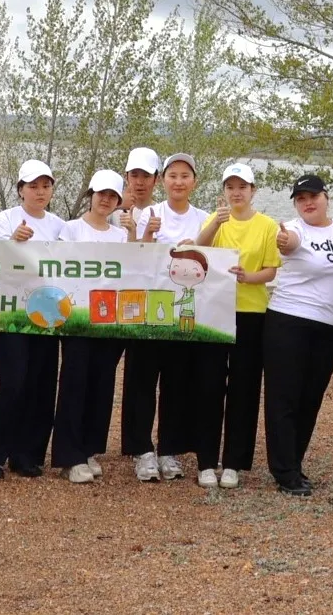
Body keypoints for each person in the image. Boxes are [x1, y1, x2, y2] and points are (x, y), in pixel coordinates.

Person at [264, 175, 333, 497]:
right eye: (300, 198)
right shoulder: (293, 230)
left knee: (310, 400)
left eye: (313, 196)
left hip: (329, 327)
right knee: (284, 399)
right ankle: (284, 471)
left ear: (326, 197)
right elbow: (288, 244)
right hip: (289, 321)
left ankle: (295, 463)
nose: (307, 203)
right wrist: (284, 242)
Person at [0, 160, 64, 480]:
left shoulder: (58, 225)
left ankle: (26, 454)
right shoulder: (6, 218)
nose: (40, 192)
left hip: (47, 313)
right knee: (12, 383)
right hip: (13, 310)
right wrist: (14, 241)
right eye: (33, 186)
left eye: (45, 186)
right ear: (20, 190)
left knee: (40, 385)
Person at [194, 163, 279, 490]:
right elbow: (197, 251)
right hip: (215, 309)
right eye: (231, 187)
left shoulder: (267, 225)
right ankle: (205, 461)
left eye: (242, 187)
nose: (236, 192)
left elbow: (271, 270)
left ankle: (233, 462)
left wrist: (249, 277)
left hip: (252, 312)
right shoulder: (216, 219)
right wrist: (214, 222)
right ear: (224, 190)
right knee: (209, 386)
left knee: (244, 388)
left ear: (253, 190)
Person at [128, 152, 205, 483]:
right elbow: (132, 260)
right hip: (148, 308)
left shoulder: (205, 218)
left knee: (177, 382)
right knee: (141, 381)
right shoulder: (147, 214)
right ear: (162, 180)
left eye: (185, 176)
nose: (178, 181)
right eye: (172, 175)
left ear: (194, 182)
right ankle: (141, 450)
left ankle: (170, 449)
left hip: (185, 311)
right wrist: (147, 237)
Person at [54, 170, 130, 483]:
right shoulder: (69, 229)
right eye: (101, 194)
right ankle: (68, 456)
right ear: (91, 194)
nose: (106, 200)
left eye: (112, 196)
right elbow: (56, 267)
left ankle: (88, 449)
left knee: (101, 384)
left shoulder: (121, 236)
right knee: (74, 383)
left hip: (109, 319)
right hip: (76, 318)